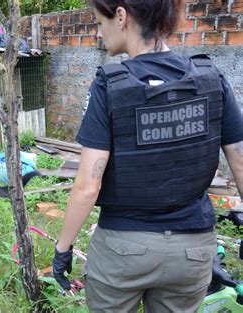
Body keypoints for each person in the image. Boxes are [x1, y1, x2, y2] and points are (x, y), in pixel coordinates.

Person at [52, 0, 243, 312]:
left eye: (101, 23)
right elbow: (240, 161)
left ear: (122, 17)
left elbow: (89, 184)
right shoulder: (211, 77)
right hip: (192, 251)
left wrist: (63, 249)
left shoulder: (109, 86)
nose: (100, 33)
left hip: (123, 249)